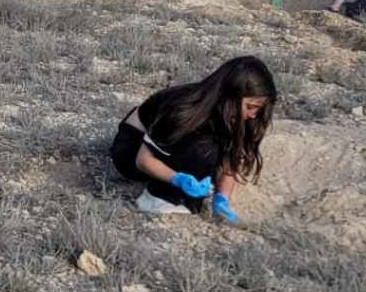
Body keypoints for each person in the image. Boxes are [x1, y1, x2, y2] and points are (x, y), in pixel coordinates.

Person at [109, 57, 276, 221]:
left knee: (209, 152)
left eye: (258, 110)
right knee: (203, 149)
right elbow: (143, 160)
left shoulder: (233, 114)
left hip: (166, 149)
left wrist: (222, 198)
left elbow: (231, 156)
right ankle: (157, 199)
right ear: (231, 95)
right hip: (131, 150)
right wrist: (179, 179)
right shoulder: (183, 108)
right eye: (251, 107)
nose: (253, 114)